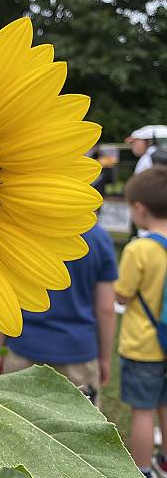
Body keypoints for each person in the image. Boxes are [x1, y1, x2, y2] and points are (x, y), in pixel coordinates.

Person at [0, 223, 118, 408]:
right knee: (78, 428)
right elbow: (106, 309)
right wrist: (105, 359)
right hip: (78, 354)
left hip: (24, 347)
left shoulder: (24, 230)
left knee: (18, 425)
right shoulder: (99, 239)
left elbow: (4, 295)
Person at [114, 166, 167, 478]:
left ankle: (143, 470)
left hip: (143, 345)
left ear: (139, 208)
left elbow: (122, 295)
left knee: (143, 412)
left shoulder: (139, 249)